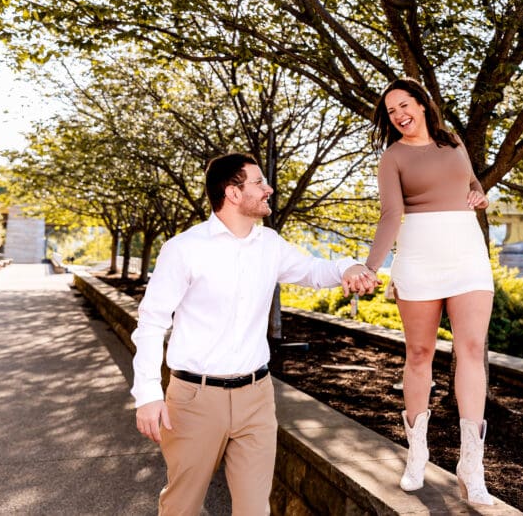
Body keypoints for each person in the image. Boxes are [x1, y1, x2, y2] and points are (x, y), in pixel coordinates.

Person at [131, 152, 376, 515]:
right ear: (232, 193)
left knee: (254, 509)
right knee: (182, 506)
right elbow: (151, 322)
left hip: (257, 398)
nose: (269, 189)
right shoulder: (183, 249)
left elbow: (314, 270)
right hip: (194, 400)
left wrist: (350, 267)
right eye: (259, 182)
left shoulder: (270, 244)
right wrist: (148, 393)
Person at [364, 78, 496, 506]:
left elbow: (473, 186)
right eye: (391, 111)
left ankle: (471, 467)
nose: (399, 114)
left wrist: (481, 198)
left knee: (471, 350)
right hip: (419, 257)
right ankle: (417, 453)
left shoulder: (453, 140)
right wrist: (370, 267)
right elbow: (390, 216)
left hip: (467, 255)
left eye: (405, 104)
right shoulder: (393, 157)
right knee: (419, 354)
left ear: (422, 104)